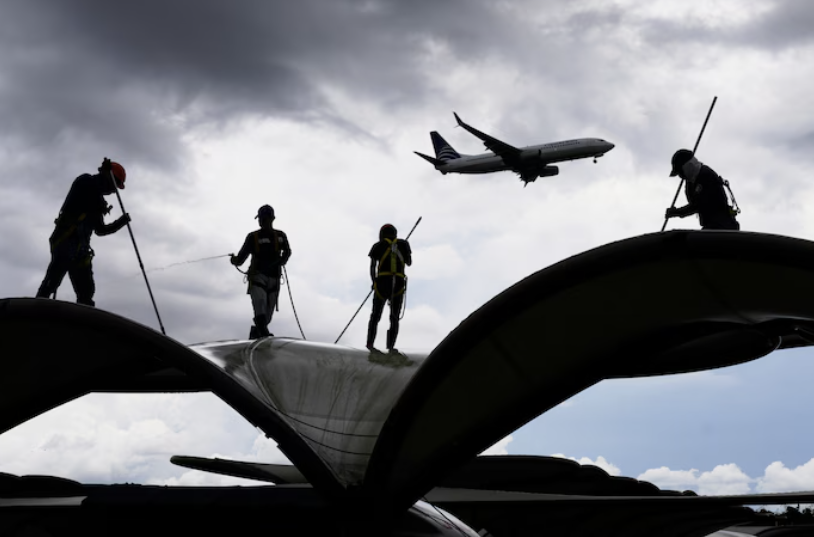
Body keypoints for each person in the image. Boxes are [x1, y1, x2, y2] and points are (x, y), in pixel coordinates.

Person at [35, 158, 131, 306]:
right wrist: (105, 172)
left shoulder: (99, 201)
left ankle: (84, 316)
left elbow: (100, 230)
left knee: (86, 291)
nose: (113, 191)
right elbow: (89, 190)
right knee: (53, 280)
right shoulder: (85, 182)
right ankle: (38, 308)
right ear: (107, 177)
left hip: (82, 249)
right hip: (66, 239)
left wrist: (121, 222)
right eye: (115, 185)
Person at [231, 205, 291, 339]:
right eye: (261, 219)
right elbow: (241, 258)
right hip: (258, 276)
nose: (262, 221)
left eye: (264, 218)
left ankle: (257, 332)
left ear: (272, 219)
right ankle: (262, 331)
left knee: (268, 314)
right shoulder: (253, 237)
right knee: (260, 304)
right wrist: (234, 260)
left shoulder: (280, 236)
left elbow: (288, 251)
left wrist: (282, 260)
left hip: (274, 279)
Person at [664, 149, 740, 230]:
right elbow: (693, 203)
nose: (680, 176)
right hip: (710, 225)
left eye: (680, 172)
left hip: (722, 225)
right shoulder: (690, 183)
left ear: (687, 167)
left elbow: (696, 206)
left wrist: (676, 212)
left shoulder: (706, 176)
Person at [366, 223, 412, 353]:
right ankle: (391, 347)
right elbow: (409, 263)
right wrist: (404, 250)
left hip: (382, 283)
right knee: (394, 317)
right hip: (398, 283)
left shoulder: (377, 246)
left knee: (375, 316)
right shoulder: (403, 244)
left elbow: (372, 267)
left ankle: (370, 344)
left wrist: (374, 282)